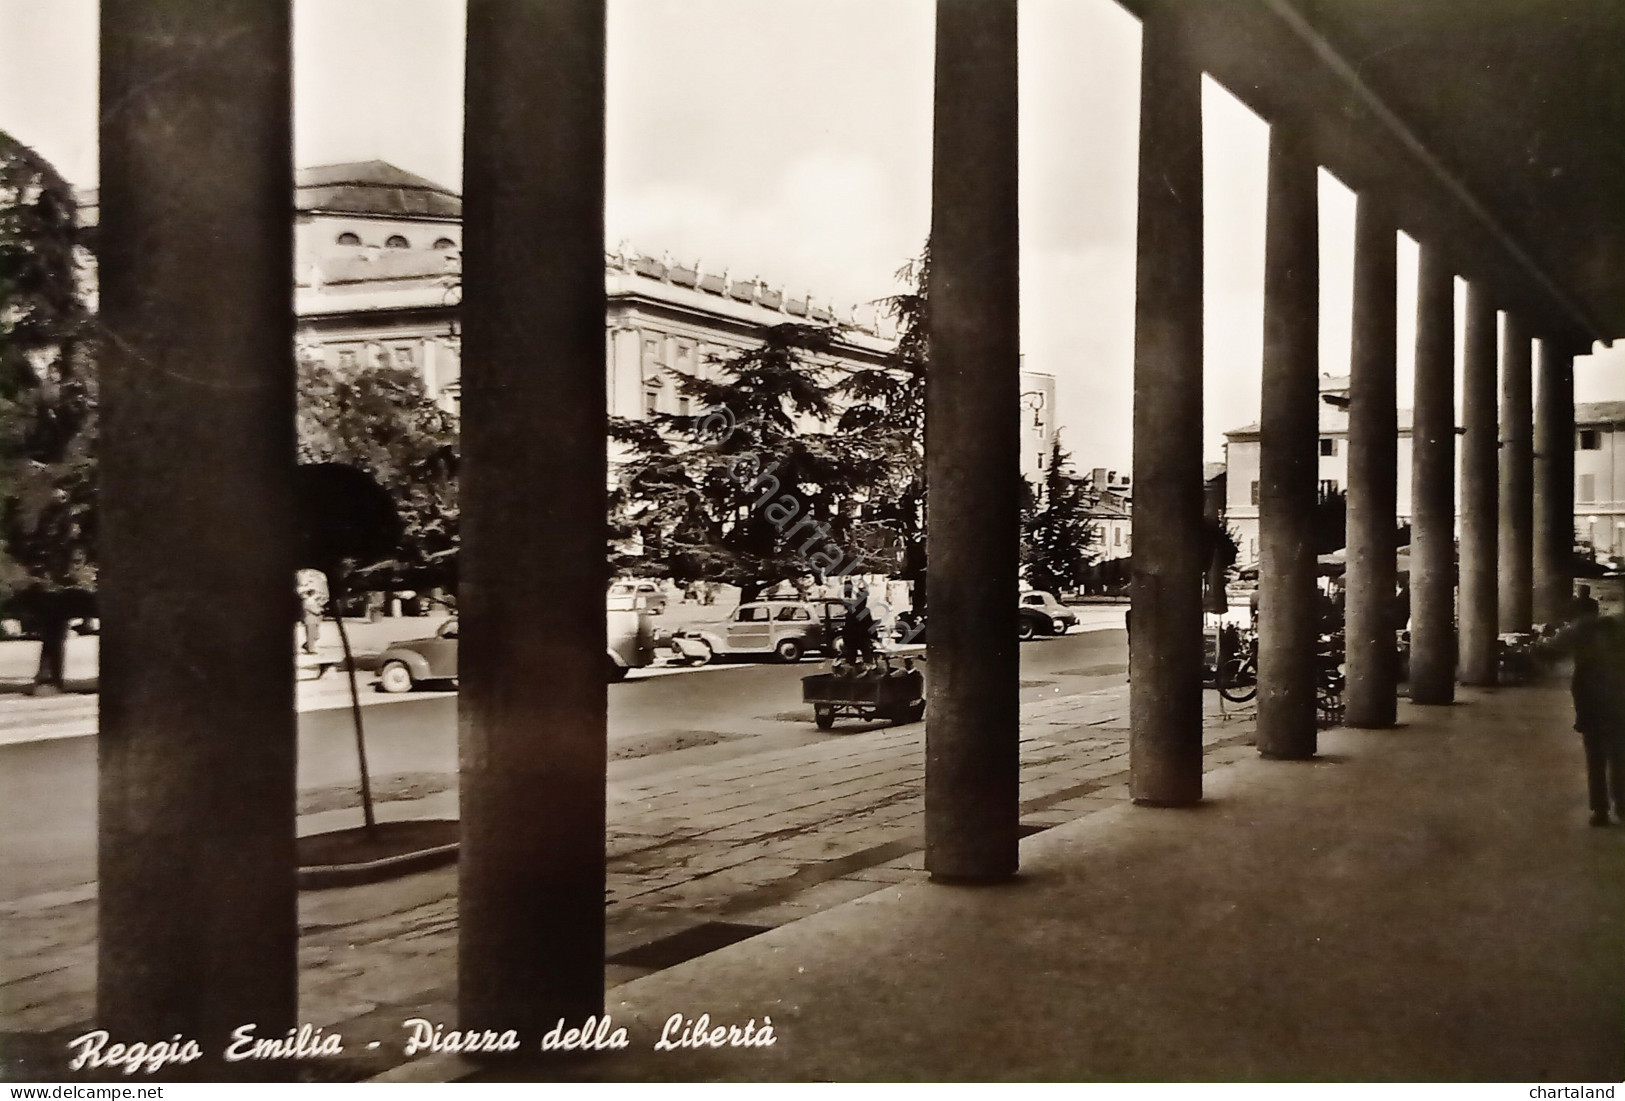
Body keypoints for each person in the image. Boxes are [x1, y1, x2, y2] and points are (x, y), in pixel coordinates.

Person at [1570, 608, 1625, 827]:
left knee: (1597, 764)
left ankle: (1601, 810)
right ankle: (1619, 806)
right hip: (1613, 718)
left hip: (1597, 718)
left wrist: (1581, 716)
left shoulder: (1587, 661)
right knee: (1618, 762)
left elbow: (1578, 689)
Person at [296, 568, 328, 655]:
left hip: (315, 618)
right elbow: (311, 609)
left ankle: (307, 646)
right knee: (311, 635)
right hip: (310, 618)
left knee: (316, 635)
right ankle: (311, 649)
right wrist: (319, 611)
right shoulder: (307, 600)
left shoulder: (313, 600)